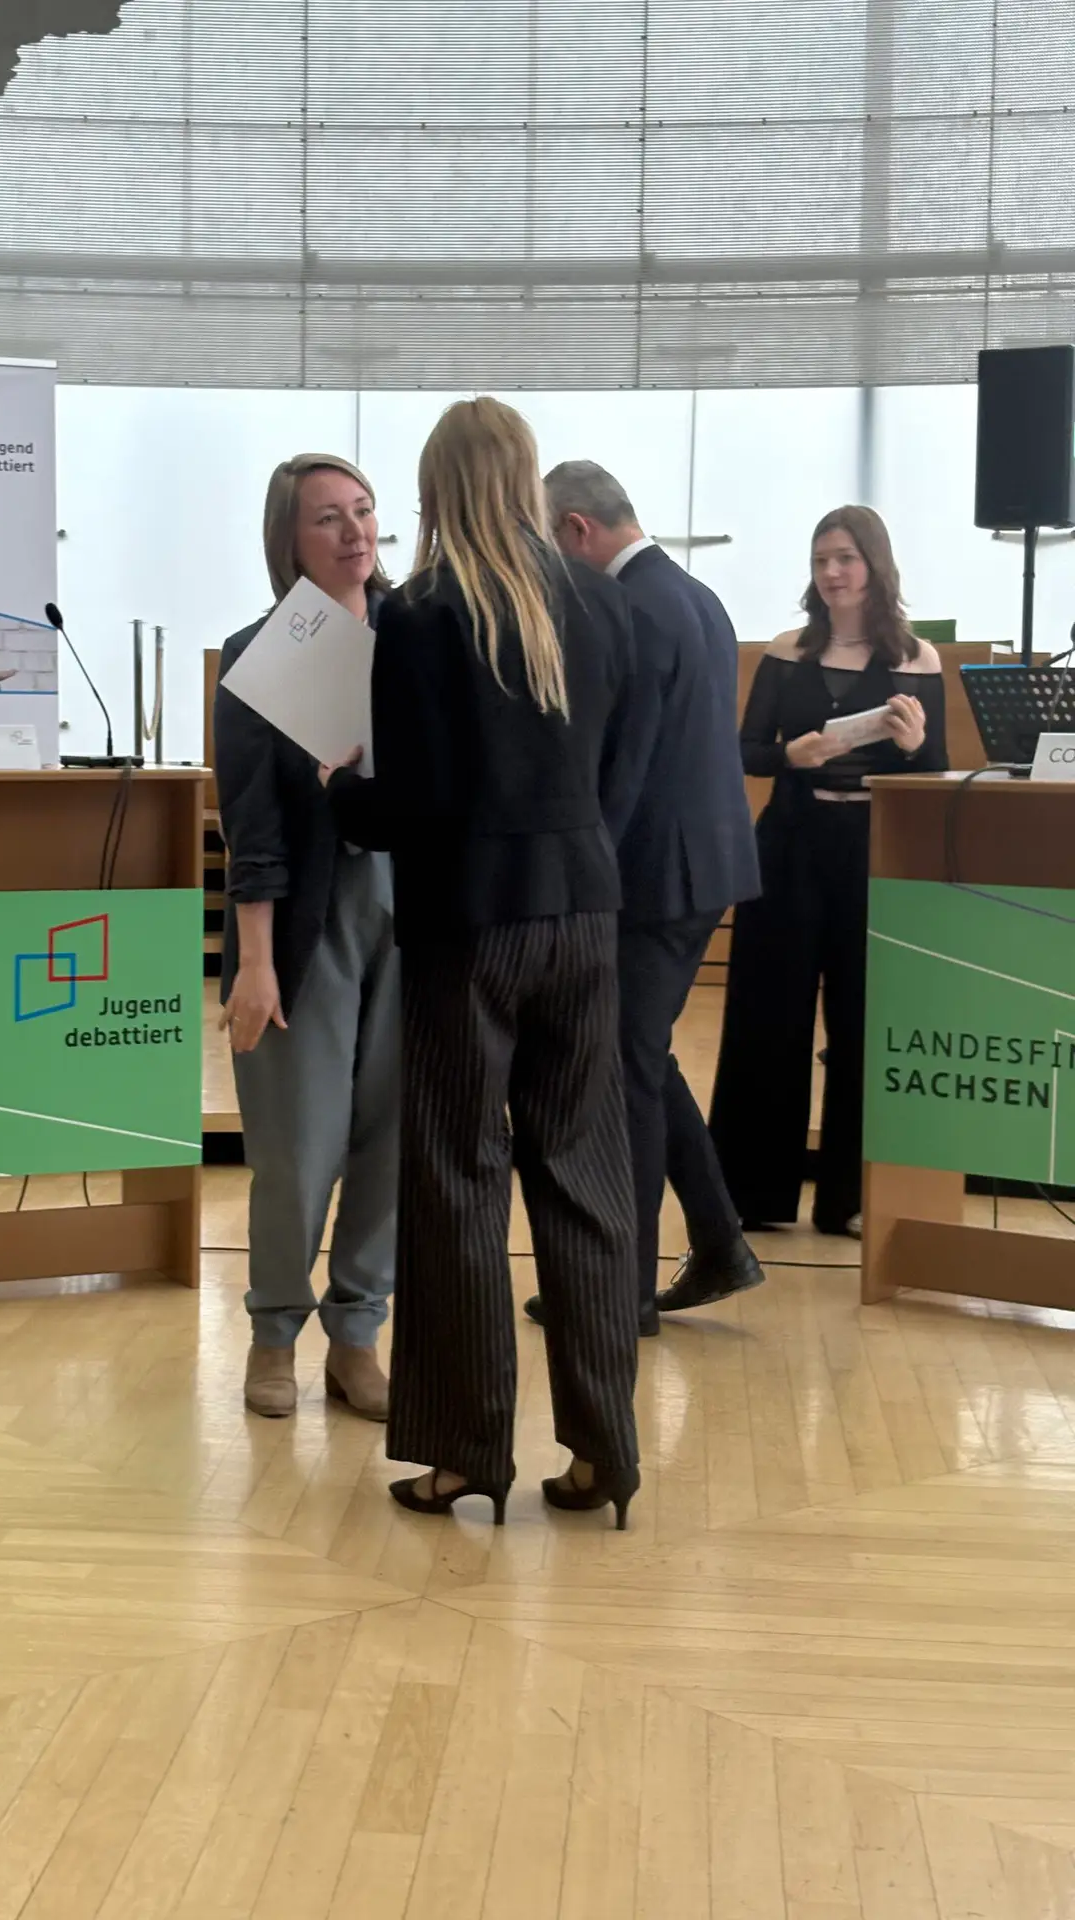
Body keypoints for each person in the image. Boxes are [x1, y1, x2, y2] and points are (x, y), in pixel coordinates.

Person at [325, 397, 642, 1528]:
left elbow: (414, 804)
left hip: (469, 927)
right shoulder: (599, 599)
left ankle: (466, 1455)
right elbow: (613, 770)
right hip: (585, 912)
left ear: (434, 489)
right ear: (523, 477)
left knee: (458, 1178)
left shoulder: (422, 613)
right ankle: (605, 1453)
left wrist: (339, 790)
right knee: (585, 1175)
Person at [519, 462, 766, 1331]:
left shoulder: (629, 606)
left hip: (652, 875)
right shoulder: (697, 597)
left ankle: (622, 1292)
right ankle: (720, 1241)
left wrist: (580, 879)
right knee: (642, 1055)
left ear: (577, 530)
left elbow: (623, 768)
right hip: (705, 865)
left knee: (624, 1069)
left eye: (548, 543)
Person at [214, 454, 399, 1423]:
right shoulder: (262, 651)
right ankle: (275, 1332)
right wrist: (253, 963)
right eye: (328, 517)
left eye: (363, 510)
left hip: (418, 916)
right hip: (305, 919)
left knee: (392, 1136)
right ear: (288, 536)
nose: (354, 531)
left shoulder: (421, 631)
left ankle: (357, 1334)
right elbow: (252, 824)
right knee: (297, 1145)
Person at [707, 506, 948, 1238]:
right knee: (768, 1015)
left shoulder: (918, 660)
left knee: (859, 1021)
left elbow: (935, 774)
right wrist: (791, 754)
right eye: (820, 561)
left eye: (844, 558)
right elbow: (745, 750)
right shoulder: (788, 652)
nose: (831, 573)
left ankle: (846, 1197)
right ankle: (753, 1193)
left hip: (870, 850)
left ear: (875, 564)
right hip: (790, 842)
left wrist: (914, 746)